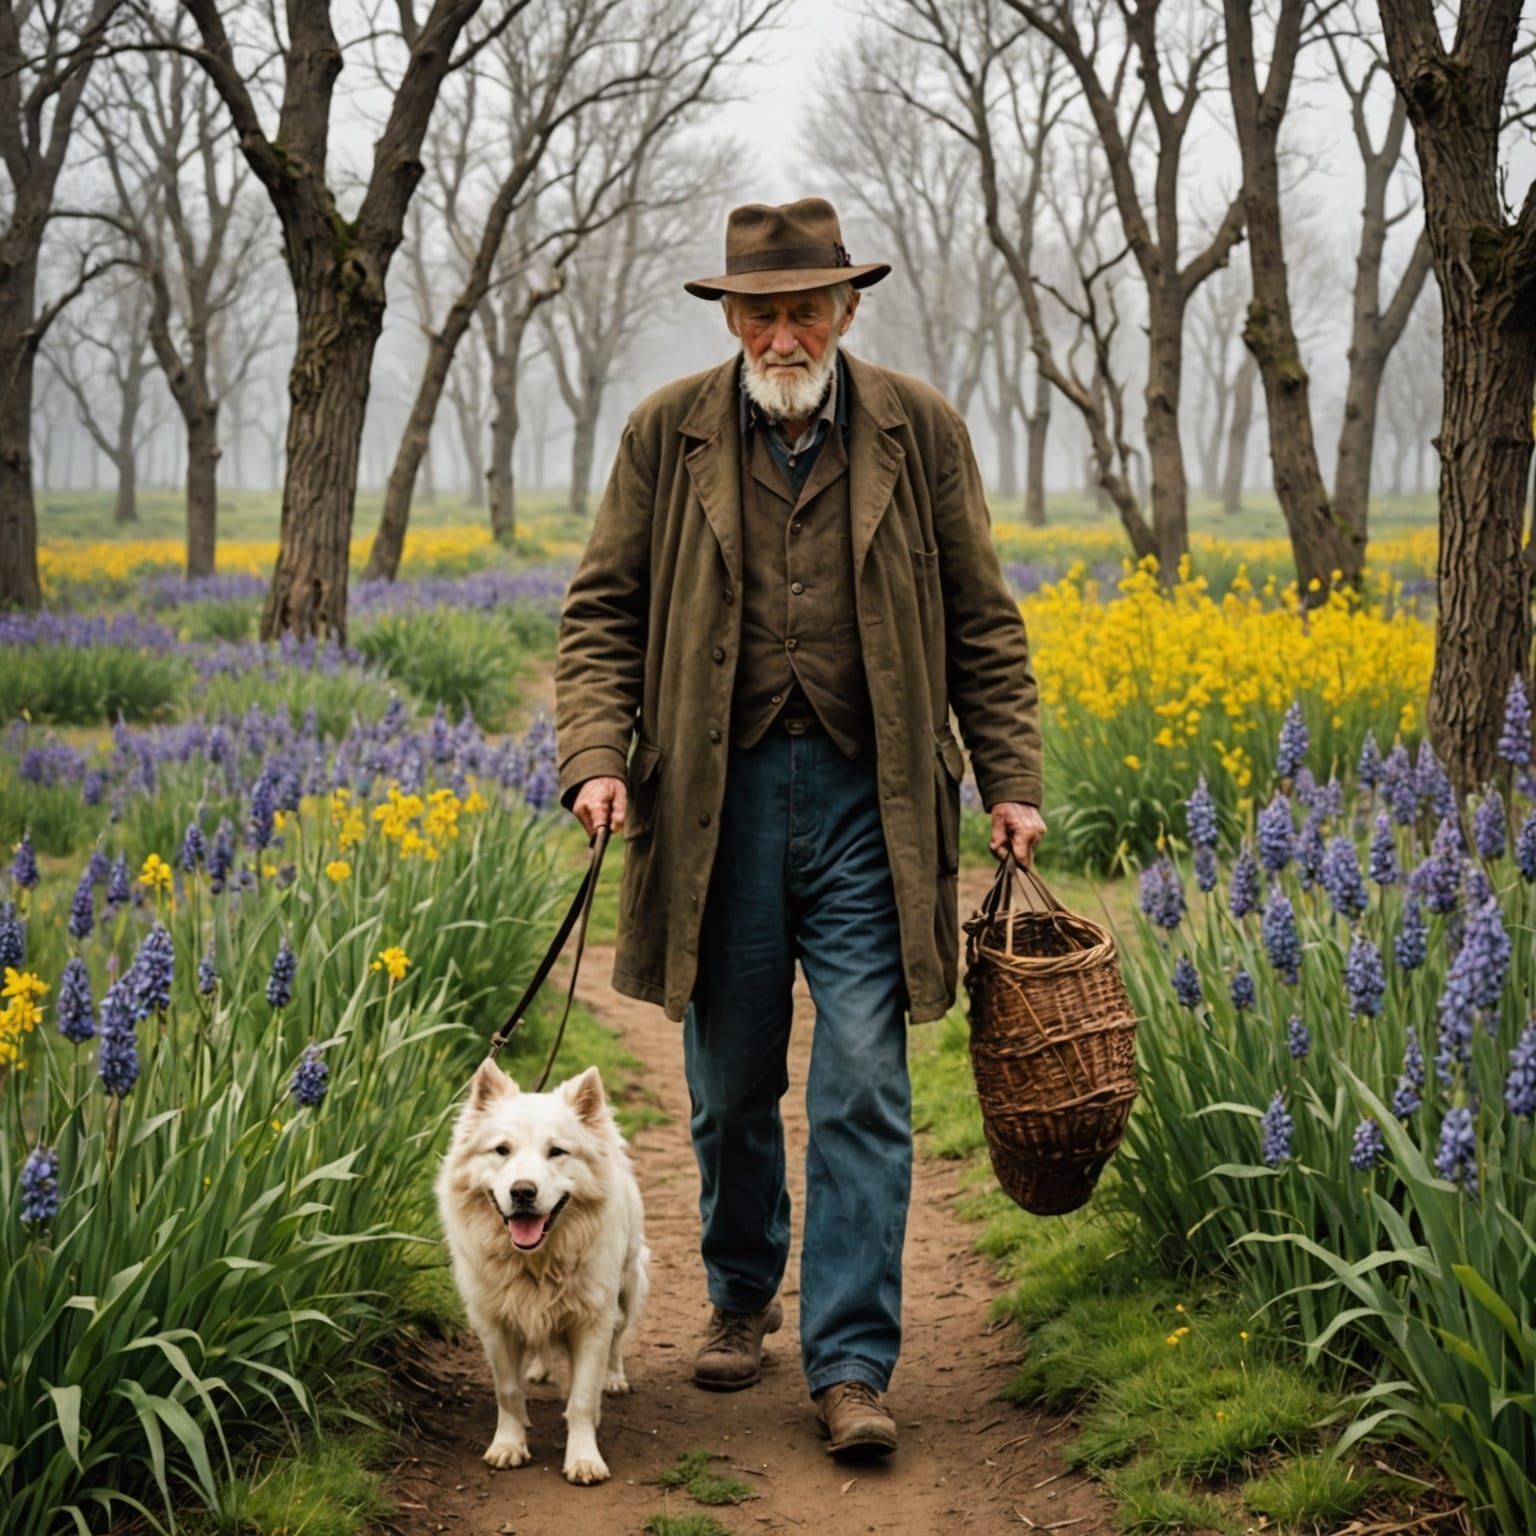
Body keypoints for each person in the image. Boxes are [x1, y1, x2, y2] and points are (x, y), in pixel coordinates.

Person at [554, 196, 1045, 1459]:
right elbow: (602, 610)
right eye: (761, 311)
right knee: (726, 1087)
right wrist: (599, 759)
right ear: (733, 316)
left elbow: (985, 619)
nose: (783, 332)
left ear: (845, 309)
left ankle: (851, 1360)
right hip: (713, 806)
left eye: (804, 309)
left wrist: (1011, 777)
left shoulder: (917, 429)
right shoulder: (666, 434)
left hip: (870, 803)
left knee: (866, 1084)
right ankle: (737, 1292)